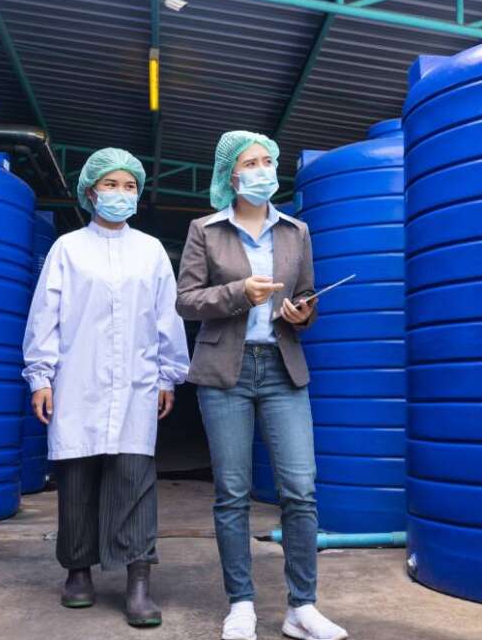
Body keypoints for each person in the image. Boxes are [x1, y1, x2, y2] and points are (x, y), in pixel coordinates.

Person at [176, 131, 348, 640]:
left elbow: (307, 298)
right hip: (224, 371)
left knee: (301, 489)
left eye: (268, 160)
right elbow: (187, 300)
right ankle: (242, 605)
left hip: (282, 368)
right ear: (231, 174)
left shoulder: (297, 231)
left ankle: (302, 607)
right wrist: (238, 293)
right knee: (231, 492)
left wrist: (301, 312)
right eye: (251, 162)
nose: (262, 168)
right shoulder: (204, 230)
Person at [22, 148, 189, 628]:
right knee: (77, 479)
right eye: (110, 185)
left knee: (134, 477)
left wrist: (167, 376)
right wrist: (41, 376)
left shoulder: (151, 251)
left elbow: (167, 317)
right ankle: (78, 571)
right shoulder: (68, 249)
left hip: (137, 382)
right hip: (78, 380)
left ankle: (138, 580)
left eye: (130, 186)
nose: (120, 194)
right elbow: (45, 318)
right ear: (91, 191)